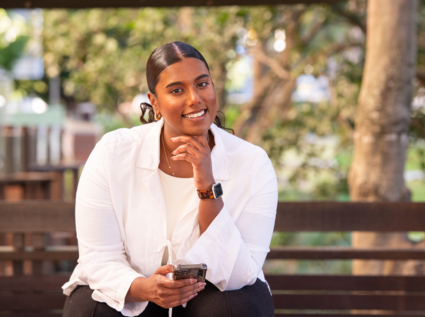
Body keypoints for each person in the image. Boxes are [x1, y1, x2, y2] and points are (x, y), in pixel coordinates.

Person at [62, 41, 278, 317]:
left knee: (236, 306)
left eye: (202, 84)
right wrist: (145, 288)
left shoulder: (252, 163)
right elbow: (98, 258)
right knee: (90, 307)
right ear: (155, 102)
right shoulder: (113, 154)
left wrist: (206, 185)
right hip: (134, 291)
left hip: (208, 298)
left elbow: (240, 273)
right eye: (177, 90)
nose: (194, 99)